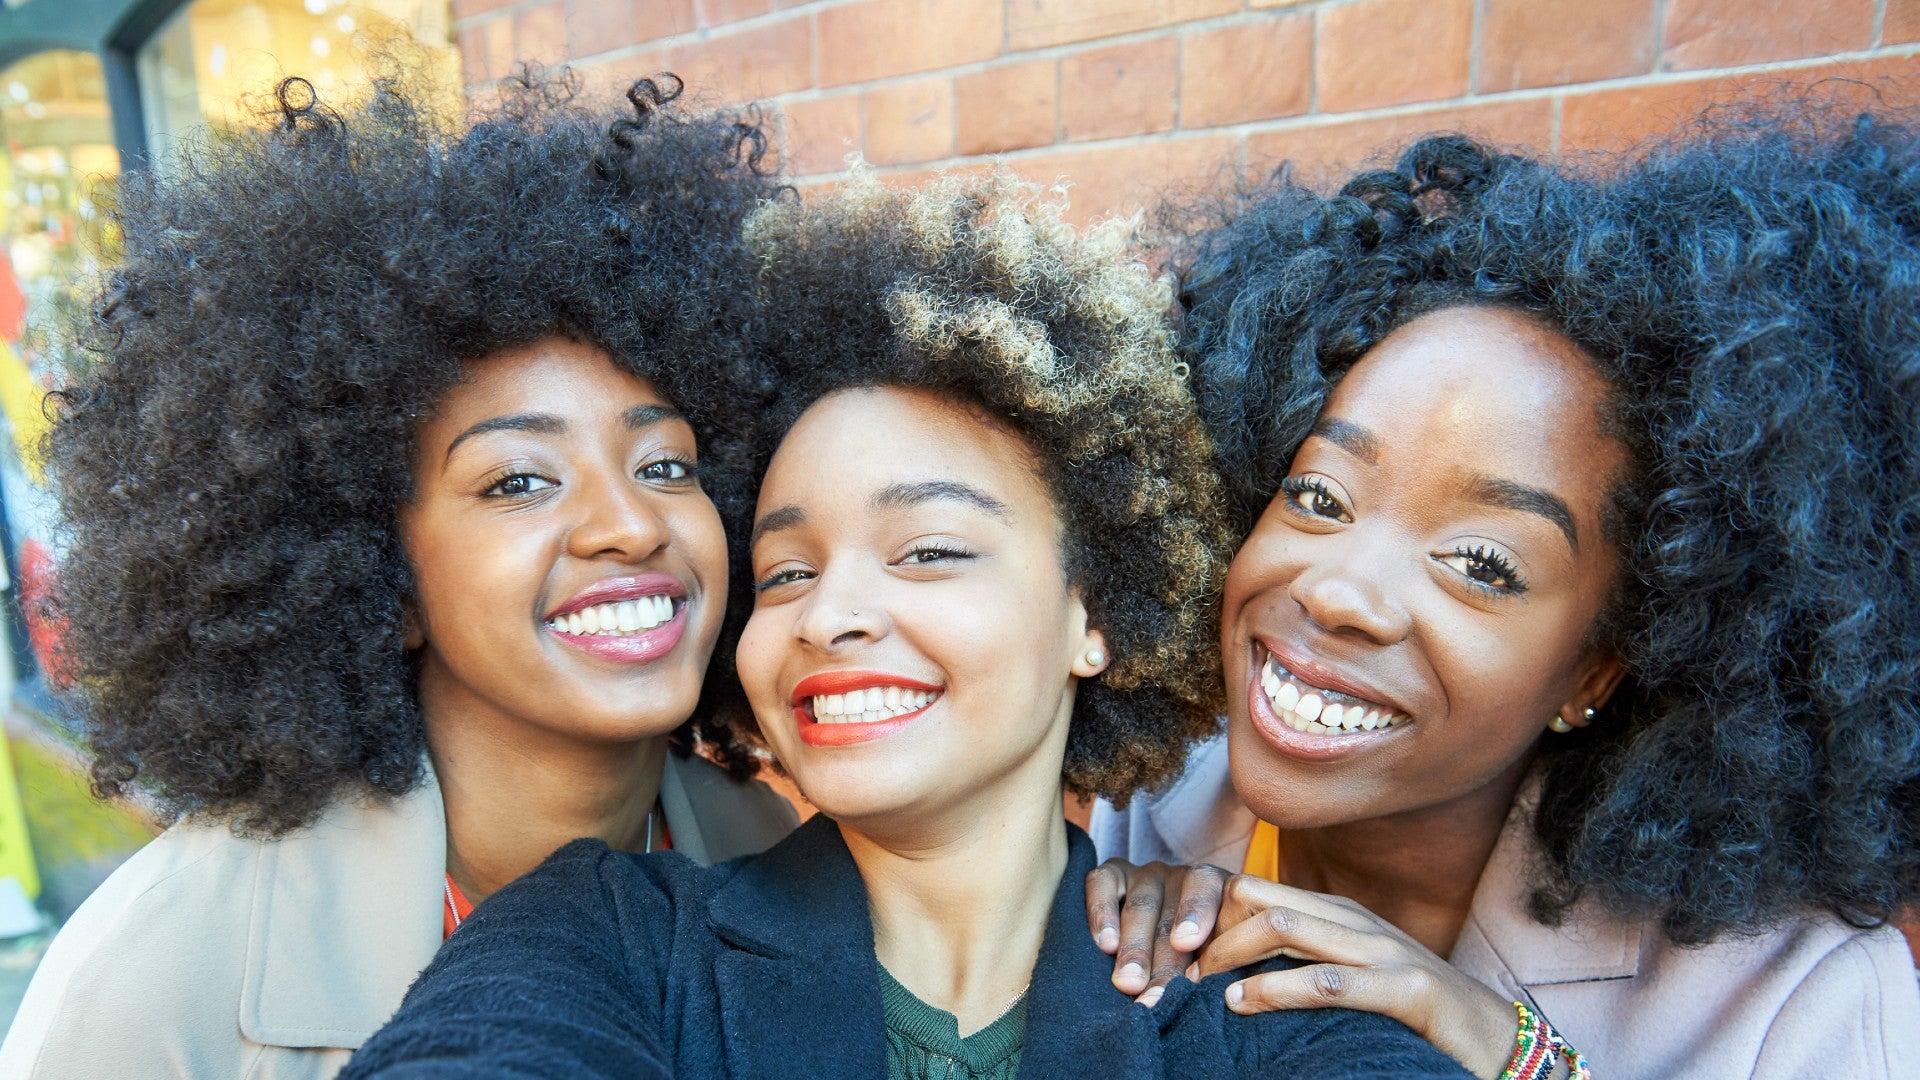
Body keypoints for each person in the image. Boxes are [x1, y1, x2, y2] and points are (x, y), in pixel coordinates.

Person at [342, 173, 1472, 1079]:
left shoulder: (1257, 1006)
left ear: (1098, 616)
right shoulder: (601, 934)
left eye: (930, 550)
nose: (829, 614)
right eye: (783, 572)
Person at [0, 71, 797, 1079]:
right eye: (517, 480)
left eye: (666, 465)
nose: (631, 524)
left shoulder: (761, 848)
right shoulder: (158, 987)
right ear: (382, 573)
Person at [1088, 115, 1920, 1078]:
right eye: (1318, 495)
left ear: (1599, 665)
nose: (1344, 590)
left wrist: (1517, 1058)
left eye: (1482, 563)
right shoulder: (1131, 803)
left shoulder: (1793, 1003)